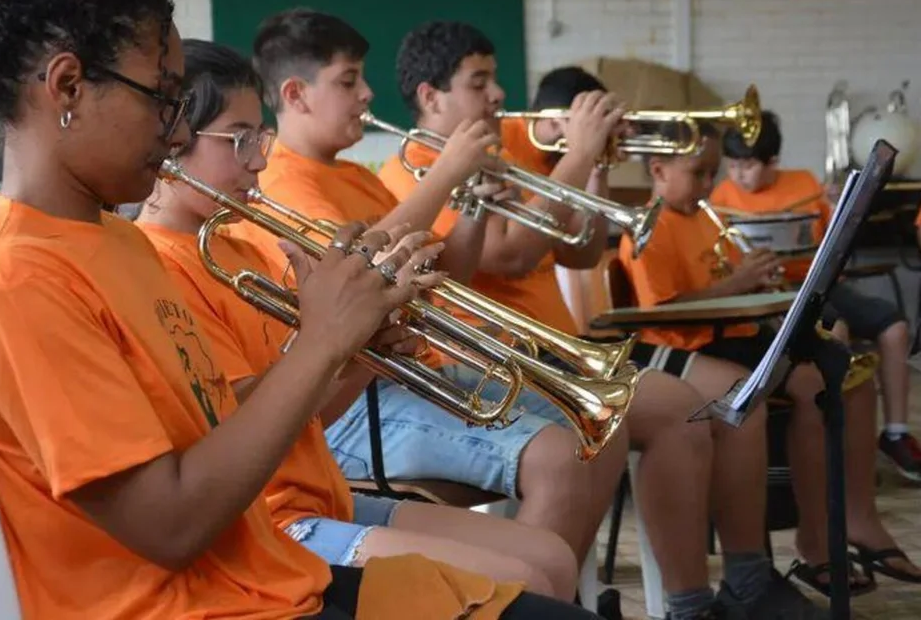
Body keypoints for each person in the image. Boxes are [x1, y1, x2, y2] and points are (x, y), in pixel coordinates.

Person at [0, 0, 598, 620]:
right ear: (68, 87)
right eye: (163, 96)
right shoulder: (13, 279)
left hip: (263, 581)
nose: (177, 131)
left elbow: (210, 418)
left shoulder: (113, 242)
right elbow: (170, 523)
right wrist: (319, 345)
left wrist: (350, 346)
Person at [382, 36, 827, 620]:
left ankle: (719, 587)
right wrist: (579, 154)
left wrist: (596, 170)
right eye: (479, 81)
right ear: (430, 97)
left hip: (560, 347)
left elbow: (580, 252)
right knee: (681, 413)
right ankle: (682, 602)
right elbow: (511, 256)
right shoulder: (412, 172)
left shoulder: (501, 152)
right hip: (498, 355)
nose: (498, 94)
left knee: (703, 406)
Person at [134, 38, 581, 600]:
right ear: (174, 143)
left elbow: (309, 416)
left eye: (261, 138)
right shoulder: (161, 266)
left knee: (552, 559)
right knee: (525, 582)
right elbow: (238, 428)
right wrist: (333, 343)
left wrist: (367, 353)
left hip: (318, 493)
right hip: (265, 522)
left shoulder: (240, 249)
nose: (259, 160)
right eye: (239, 140)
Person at [238, 7, 629, 606]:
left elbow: (451, 272)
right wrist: (446, 174)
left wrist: (471, 203)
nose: (367, 94)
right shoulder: (286, 182)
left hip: (405, 373)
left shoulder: (359, 178)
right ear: (296, 94)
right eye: (348, 81)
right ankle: (533, 605)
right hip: (350, 401)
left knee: (591, 430)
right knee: (554, 456)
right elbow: (357, 272)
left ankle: (554, 598)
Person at [620, 118, 921, 597]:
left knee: (852, 377)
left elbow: (724, 283)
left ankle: (861, 520)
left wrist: (758, 279)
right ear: (658, 170)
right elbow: (660, 309)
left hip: (734, 332)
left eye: (711, 174)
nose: (707, 186)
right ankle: (815, 542)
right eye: (699, 173)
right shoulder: (650, 227)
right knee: (812, 385)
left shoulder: (700, 217)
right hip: (689, 347)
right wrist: (737, 285)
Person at [712, 110, 920, 482]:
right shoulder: (722, 197)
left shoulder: (804, 184)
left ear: (773, 161)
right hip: (774, 292)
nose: (738, 175)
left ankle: (896, 433)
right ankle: (835, 439)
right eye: (733, 166)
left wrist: (841, 205)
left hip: (818, 281)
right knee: (833, 330)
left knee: (895, 326)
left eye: (747, 166)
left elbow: (839, 240)